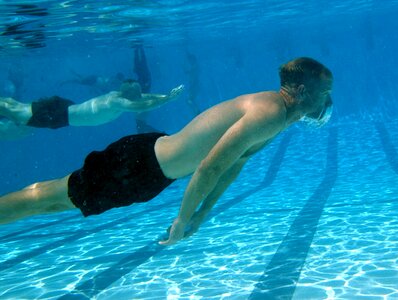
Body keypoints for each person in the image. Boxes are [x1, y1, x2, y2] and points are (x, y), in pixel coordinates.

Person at [0, 57, 333, 246]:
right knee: (52, 196)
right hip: (139, 166)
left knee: (56, 202)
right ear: (303, 90)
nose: (328, 98)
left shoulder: (278, 114)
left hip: (149, 170)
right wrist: (182, 220)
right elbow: (210, 168)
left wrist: (202, 214)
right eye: (326, 91)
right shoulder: (270, 112)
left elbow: (234, 166)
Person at [0, 80, 184, 130]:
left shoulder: (118, 95)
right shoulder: (118, 102)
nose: (139, 97)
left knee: (13, 105)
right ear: (129, 96)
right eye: (136, 96)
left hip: (64, 108)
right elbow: (142, 106)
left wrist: (166, 94)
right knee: (14, 113)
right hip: (60, 115)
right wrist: (167, 100)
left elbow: (145, 96)